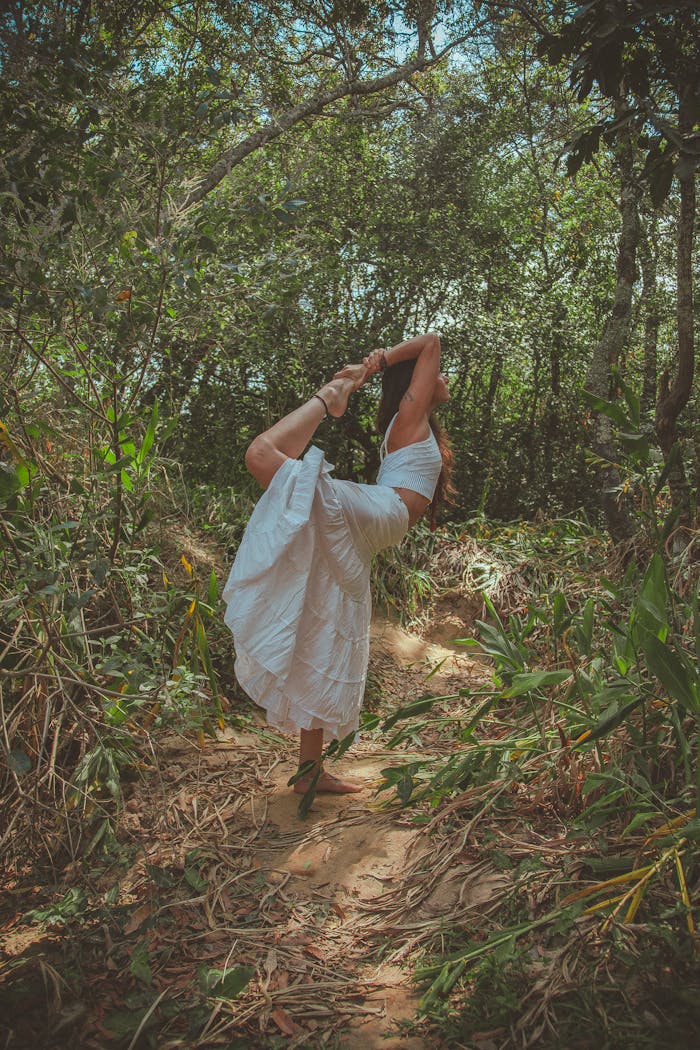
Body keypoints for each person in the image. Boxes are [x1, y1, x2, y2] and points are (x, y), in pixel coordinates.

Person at [222, 332, 452, 795]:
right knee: (262, 457)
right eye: (435, 375)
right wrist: (377, 362)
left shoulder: (412, 421)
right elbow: (432, 341)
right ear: (415, 384)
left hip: (372, 529)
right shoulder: (410, 414)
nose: (443, 377)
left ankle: (310, 774)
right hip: (380, 511)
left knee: (325, 630)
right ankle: (328, 400)